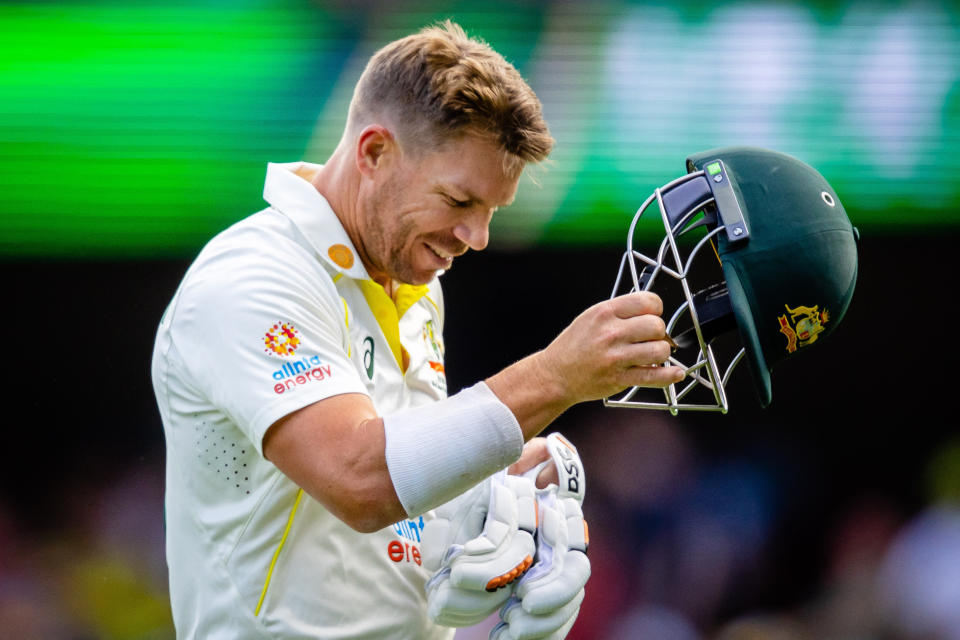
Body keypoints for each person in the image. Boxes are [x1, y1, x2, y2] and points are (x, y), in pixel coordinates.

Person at [151, 20, 682, 639]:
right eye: (459, 202)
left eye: (490, 213)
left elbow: (401, 494)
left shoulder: (418, 284)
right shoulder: (253, 277)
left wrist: (498, 487)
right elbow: (360, 480)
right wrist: (554, 377)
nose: (477, 238)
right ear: (374, 152)